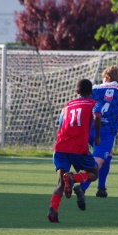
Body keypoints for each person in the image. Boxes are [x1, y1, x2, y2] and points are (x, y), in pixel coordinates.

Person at [73, 65, 118, 209]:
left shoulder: (94, 89)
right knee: (96, 163)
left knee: (108, 153)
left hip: (88, 129)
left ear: (106, 78)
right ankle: (80, 185)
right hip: (105, 133)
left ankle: (101, 188)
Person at [47, 79, 101, 223]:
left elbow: (61, 124)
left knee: (60, 183)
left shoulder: (67, 105)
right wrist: (96, 137)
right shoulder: (94, 103)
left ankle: (53, 210)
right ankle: (74, 178)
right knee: (94, 173)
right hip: (78, 148)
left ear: (77, 92)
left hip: (61, 147)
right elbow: (97, 116)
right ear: (91, 92)